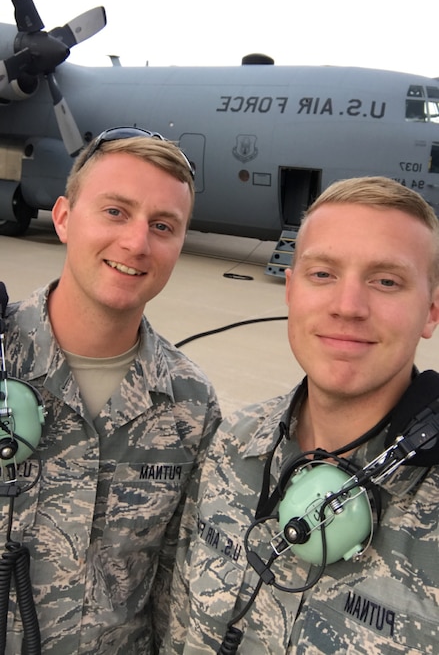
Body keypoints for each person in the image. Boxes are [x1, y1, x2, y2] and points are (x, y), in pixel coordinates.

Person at [162, 176, 439, 655]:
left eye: (386, 281)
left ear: (432, 310)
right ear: (290, 291)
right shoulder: (232, 445)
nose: (348, 307)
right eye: (323, 274)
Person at [1, 127, 221, 654]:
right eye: (115, 211)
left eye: (163, 226)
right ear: (62, 218)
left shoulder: (190, 404)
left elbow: (175, 590)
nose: (136, 243)